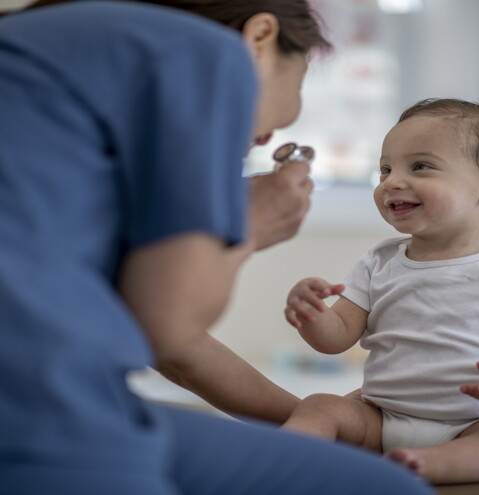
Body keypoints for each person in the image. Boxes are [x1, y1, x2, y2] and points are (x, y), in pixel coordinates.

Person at [0, 1, 435, 493]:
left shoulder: (44, 72)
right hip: (38, 410)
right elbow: (169, 327)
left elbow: (176, 349)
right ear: (259, 39)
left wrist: (329, 420)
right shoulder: (203, 52)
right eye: (288, 98)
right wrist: (250, 223)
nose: (267, 137)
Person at [282, 98, 479, 485]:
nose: (391, 181)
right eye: (385, 169)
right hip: (381, 417)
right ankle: (280, 465)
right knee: (320, 406)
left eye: (419, 166)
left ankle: (430, 465)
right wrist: (313, 315)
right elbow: (336, 338)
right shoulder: (379, 261)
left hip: (476, 423)